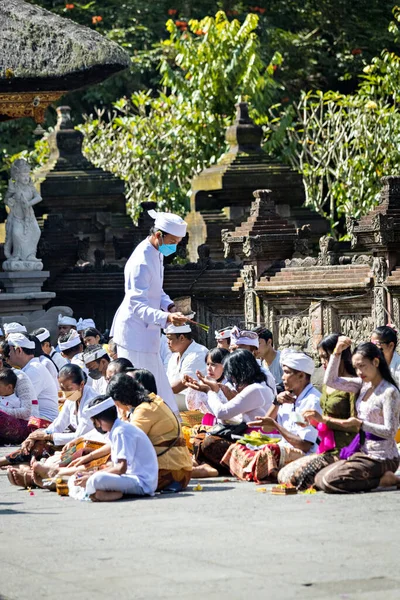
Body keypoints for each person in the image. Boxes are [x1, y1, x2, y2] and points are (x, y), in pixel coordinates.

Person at [110, 209, 189, 414]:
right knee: (138, 389)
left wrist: (169, 306)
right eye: (173, 241)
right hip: (135, 334)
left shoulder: (156, 253)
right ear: (158, 235)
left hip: (148, 333)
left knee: (158, 386)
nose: (176, 246)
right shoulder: (141, 260)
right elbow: (137, 304)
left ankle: (170, 427)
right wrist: (167, 317)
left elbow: (156, 290)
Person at [313, 337, 400, 493]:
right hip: (363, 452)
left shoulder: (389, 392)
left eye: (362, 366)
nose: (359, 372)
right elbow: (331, 381)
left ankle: (382, 480)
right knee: (319, 478)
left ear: (376, 362)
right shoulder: (362, 385)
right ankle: (380, 479)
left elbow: (390, 431)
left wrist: (360, 425)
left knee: (330, 481)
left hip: (383, 456)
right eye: (356, 367)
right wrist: (337, 353)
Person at [222, 349, 322, 482]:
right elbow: (266, 429)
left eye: (287, 373)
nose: (282, 377)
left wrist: (276, 426)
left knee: (269, 451)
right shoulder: (287, 398)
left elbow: (305, 445)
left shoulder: (312, 401)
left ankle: (267, 473)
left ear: (301, 376)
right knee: (236, 448)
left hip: (304, 454)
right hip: (283, 447)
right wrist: (276, 403)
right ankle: (267, 472)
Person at [277, 334, 357, 490]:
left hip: (349, 447)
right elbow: (322, 425)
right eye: (321, 358)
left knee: (302, 479)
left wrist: (323, 421)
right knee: (285, 475)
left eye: (326, 357)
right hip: (329, 448)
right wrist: (313, 423)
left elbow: (356, 425)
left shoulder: (353, 385)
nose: (323, 363)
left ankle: (382, 478)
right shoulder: (329, 384)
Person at [5, 365, 99, 486]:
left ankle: (32, 475)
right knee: (37, 443)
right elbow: (58, 425)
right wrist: (36, 436)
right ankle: (26, 467)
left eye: (69, 388)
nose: (65, 393)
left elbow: (80, 436)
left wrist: (48, 437)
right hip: (75, 443)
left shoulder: (90, 401)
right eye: (62, 388)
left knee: (54, 458)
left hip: (90, 444)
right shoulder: (72, 398)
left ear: (81, 384)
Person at [190, 349, 275, 475]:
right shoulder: (253, 388)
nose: (233, 381)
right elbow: (230, 417)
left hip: (257, 442)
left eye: (233, 377)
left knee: (210, 442)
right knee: (201, 436)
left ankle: (211, 467)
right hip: (243, 435)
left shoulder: (255, 389)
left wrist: (210, 391)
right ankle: (206, 465)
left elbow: (222, 412)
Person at [108, 374, 192, 492]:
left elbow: (125, 441)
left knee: (109, 479)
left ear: (122, 399)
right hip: (178, 470)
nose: (118, 407)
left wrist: (90, 456)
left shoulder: (144, 409)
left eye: (117, 404)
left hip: (170, 473)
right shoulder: (152, 400)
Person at [69, 396, 158, 502]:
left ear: (98, 421)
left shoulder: (121, 431)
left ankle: (98, 493)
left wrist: (92, 475)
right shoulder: (117, 429)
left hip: (141, 482)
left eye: (94, 422)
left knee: (95, 480)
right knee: (74, 479)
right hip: (128, 478)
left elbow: (121, 468)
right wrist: (90, 473)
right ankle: (100, 494)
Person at [7, 333, 58, 424]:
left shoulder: (34, 370)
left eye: (10, 350)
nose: (9, 354)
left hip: (44, 421)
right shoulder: (30, 368)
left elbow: (19, 403)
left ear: (19, 350)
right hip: (35, 418)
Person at [165, 324, 209, 411]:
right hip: (176, 397)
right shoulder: (173, 356)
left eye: (170, 338)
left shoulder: (198, 354)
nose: (167, 342)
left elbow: (178, 387)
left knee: (159, 400)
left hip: (194, 402)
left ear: (182, 338)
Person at [185, 347, 231, 425]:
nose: (209, 368)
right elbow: (192, 407)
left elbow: (226, 411)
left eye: (213, 365)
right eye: (207, 364)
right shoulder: (204, 383)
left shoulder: (230, 386)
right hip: (208, 424)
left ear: (225, 366)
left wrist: (213, 390)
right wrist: (193, 387)